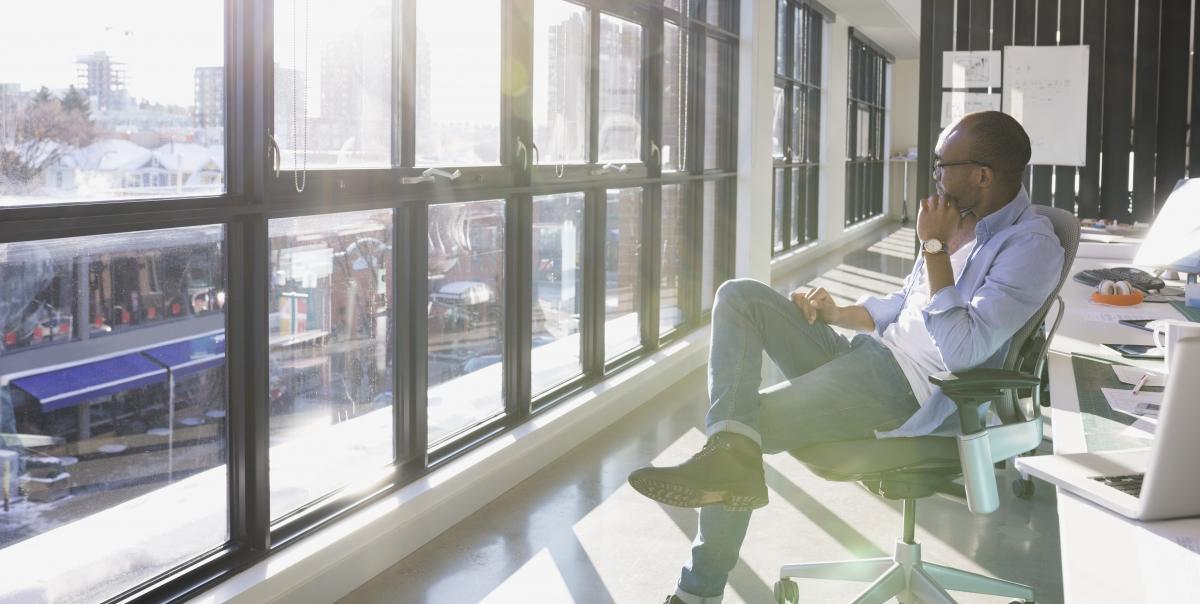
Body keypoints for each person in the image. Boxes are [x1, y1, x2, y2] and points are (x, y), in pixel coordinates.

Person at [627, 110, 1065, 604]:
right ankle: (726, 458)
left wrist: (936, 246)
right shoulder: (953, 219)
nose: (936, 175)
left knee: (742, 429)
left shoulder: (1029, 246)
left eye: (943, 164)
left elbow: (963, 351)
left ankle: (697, 591)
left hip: (910, 390)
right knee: (740, 297)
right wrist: (839, 313)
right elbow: (903, 306)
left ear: (982, 174)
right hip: (868, 355)